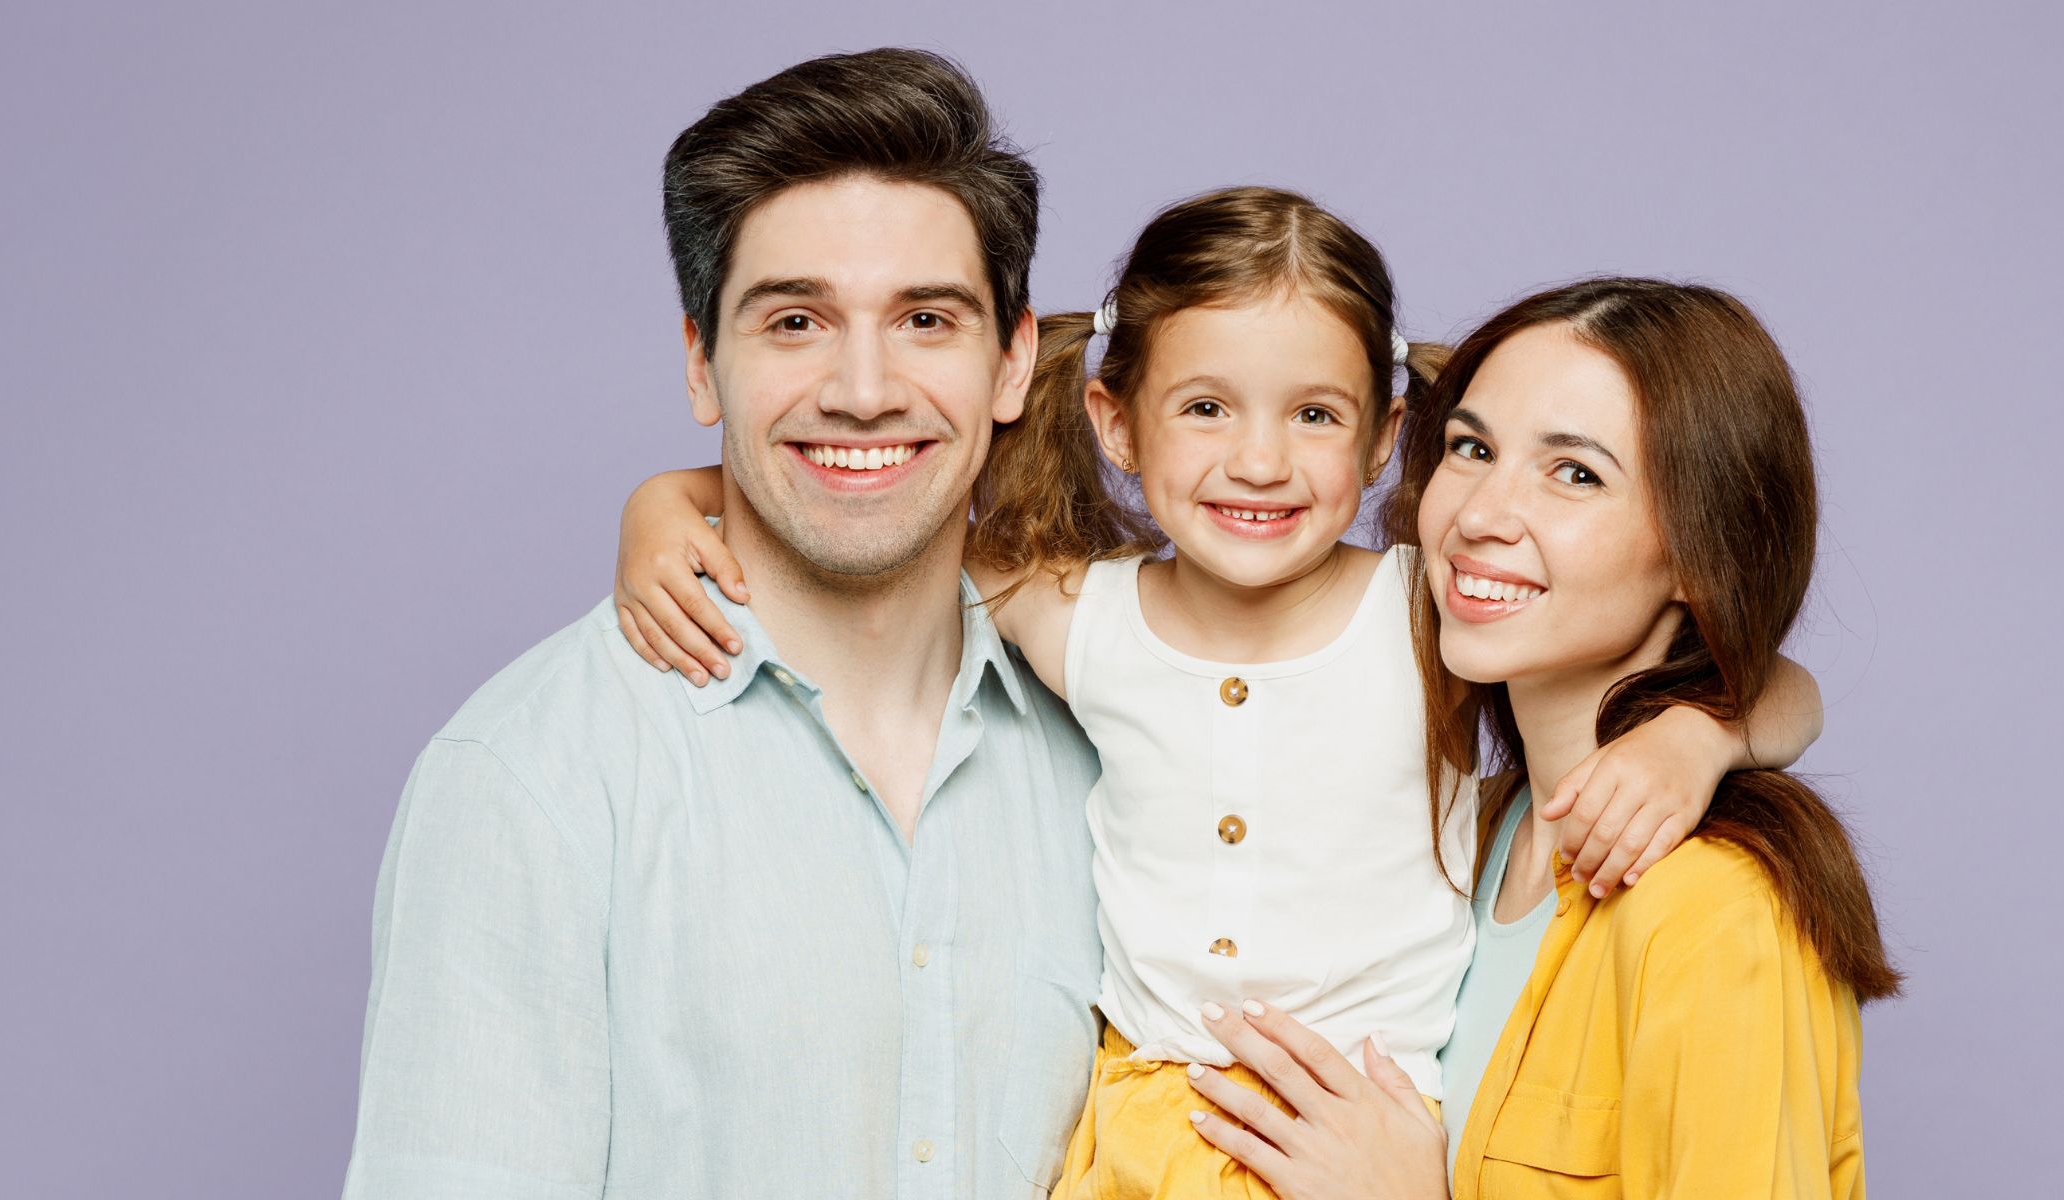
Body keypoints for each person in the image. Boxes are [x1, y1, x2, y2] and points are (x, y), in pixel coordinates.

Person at [616, 195, 1831, 1198]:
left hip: (1362, 1132)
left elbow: (1773, 676)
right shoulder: (1083, 618)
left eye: (1314, 415)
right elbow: (881, 514)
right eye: (1476, 451)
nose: (1259, 460)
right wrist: (672, 503)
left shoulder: (1429, 613)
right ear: (1116, 423)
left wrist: (1697, 733)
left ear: (1376, 439)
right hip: (1142, 1134)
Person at [342, 49, 1106, 1199]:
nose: (862, 388)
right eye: (794, 321)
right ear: (704, 366)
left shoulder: (1126, 742)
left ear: (1010, 361)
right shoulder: (529, 778)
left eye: (926, 320)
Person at [1174, 278, 1899, 1199]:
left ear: (1697, 555)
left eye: (1576, 473)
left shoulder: (1715, 910)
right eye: (1471, 448)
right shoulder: (1450, 834)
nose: (1479, 516)